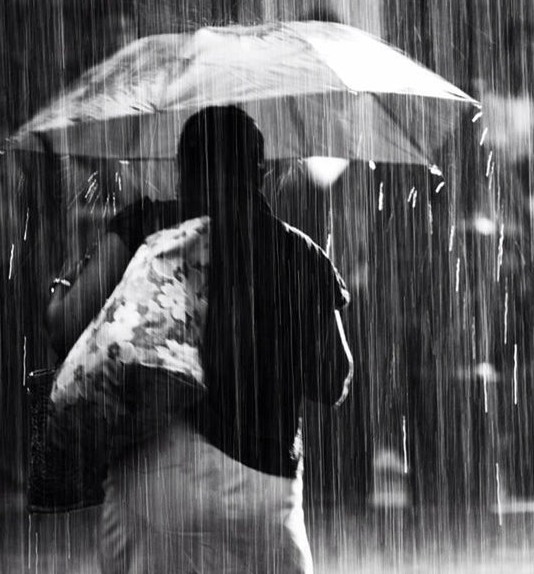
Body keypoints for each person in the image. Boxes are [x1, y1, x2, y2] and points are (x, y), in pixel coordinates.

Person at [46, 106, 353, 573]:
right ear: (262, 173)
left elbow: (66, 328)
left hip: (155, 482)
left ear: (179, 170)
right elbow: (334, 381)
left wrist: (64, 283)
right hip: (264, 491)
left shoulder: (146, 227)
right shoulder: (299, 253)